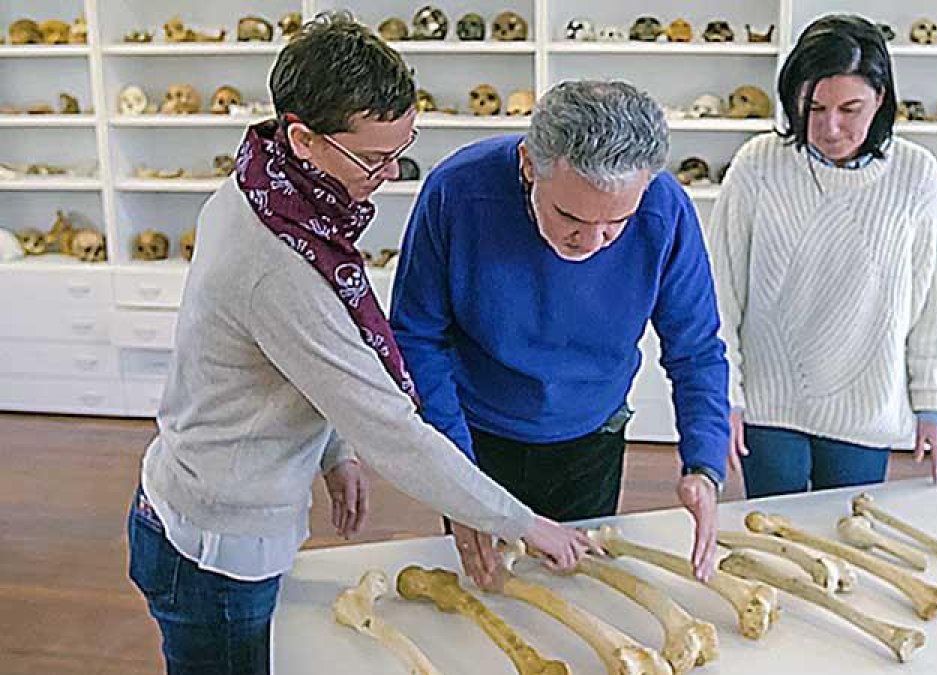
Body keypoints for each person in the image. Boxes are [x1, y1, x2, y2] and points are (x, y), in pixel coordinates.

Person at [126, 13, 593, 675]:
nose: (392, 171)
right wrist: (525, 523)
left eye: (402, 148)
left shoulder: (275, 188)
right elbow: (390, 427)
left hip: (219, 506)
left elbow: (306, 356)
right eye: (373, 157)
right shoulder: (275, 263)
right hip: (213, 546)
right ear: (303, 137)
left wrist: (333, 450)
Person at [390, 80, 730, 587]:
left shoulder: (665, 209)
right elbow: (417, 337)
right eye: (570, 216)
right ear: (529, 165)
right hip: (476, 435)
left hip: (592, 436)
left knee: (578, 588)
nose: (591, 242)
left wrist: (703, 464)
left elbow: (696, 347)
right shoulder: (458, 192)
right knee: (486, 592)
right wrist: (458, 483)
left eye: (617, 223)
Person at [706, 14, 937, 499]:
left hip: (866, 405)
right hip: (767, 404)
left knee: (846, 537)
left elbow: (936, 298)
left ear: (881, 99)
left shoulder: (916, 173)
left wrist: (934, 403)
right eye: (814, 107)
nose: (829, 127)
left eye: (850, 108)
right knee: (774, 540)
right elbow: (720, 294)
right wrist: (724, 398)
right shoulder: (757, 165)